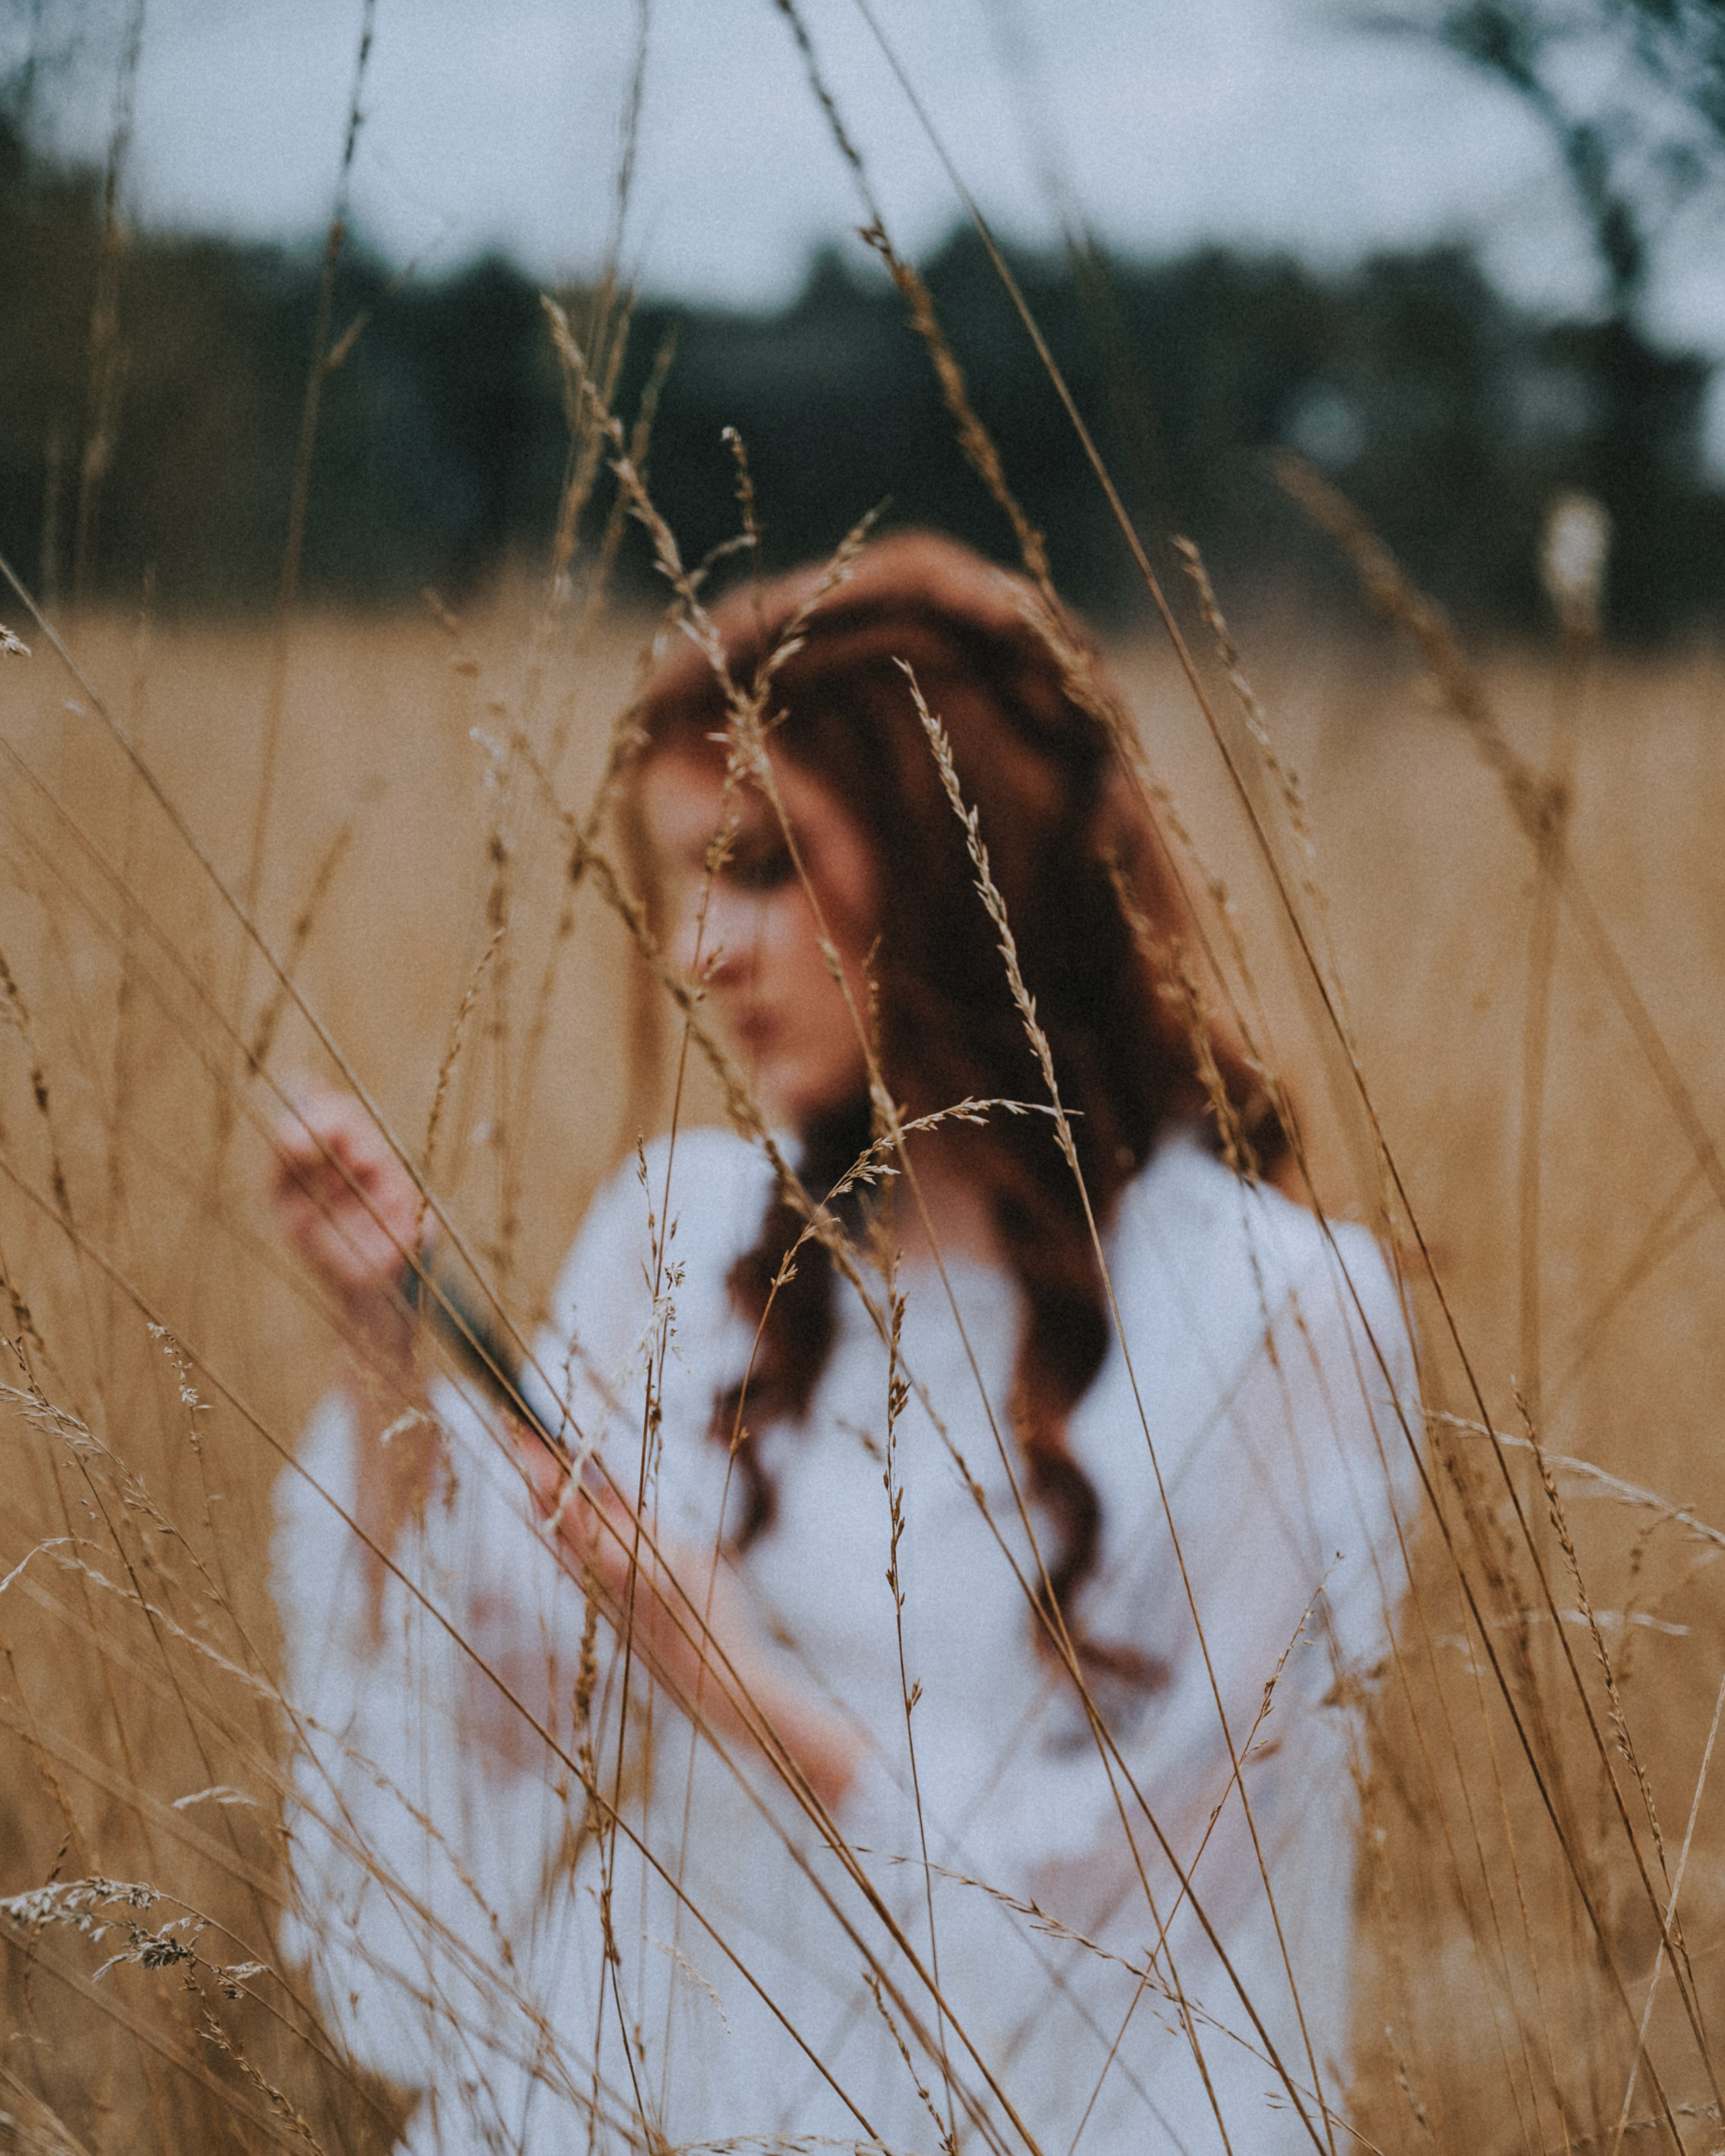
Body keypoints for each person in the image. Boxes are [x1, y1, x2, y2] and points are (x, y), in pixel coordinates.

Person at [271, 530, 1420, 2156]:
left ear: (956, 860)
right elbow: (491, 1731)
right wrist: (385, 1339)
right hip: (643, 2085)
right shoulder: (679, 1230)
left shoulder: (1273, 1310)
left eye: (759, 865)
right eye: (688, 880)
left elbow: (1161, 1918)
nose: (701, 948)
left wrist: (750, 1698)